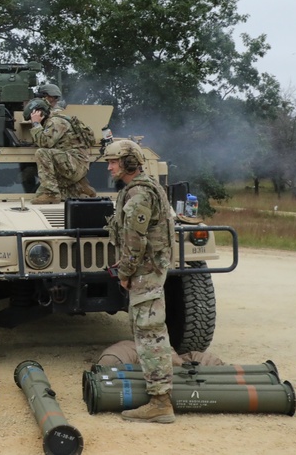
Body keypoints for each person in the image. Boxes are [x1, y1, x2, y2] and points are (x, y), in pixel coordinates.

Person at [101, 139, 176, 424]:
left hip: (144, 271)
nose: (109, 167)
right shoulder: (145, 187)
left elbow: (134, 242)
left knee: (149, 332)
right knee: (147, 328)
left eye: (114, 161)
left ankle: (160, 402)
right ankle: (159, 398)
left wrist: (125, 273)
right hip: (148, 268)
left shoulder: (139, 195)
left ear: (129, 162)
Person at [25, 98, 96, 204]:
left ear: (39, 113)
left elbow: (44, 142)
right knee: (58, 186)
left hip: (75, 163)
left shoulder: (56, 121)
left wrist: (36, 123)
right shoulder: (54, 121)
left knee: (42, 153)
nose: (31, 121)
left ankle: (50, 194)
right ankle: (80, 188)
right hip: (72, 164)